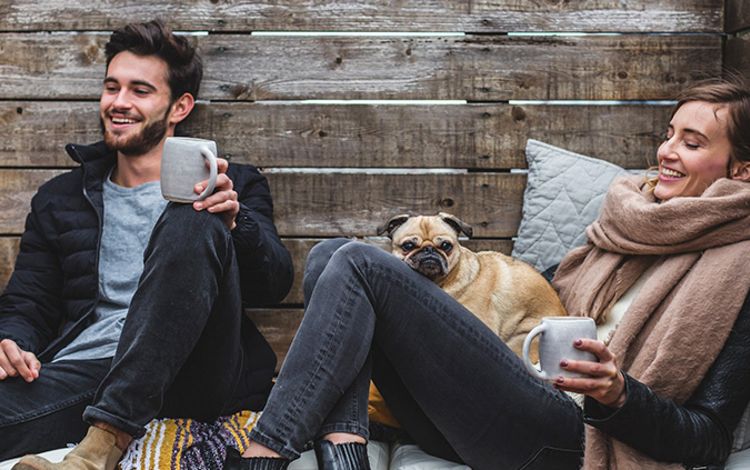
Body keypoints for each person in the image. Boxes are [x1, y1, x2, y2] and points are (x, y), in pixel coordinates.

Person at [226, 78, 750, 470]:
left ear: (740, 171)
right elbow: (543, 297)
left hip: (569, 439)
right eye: (668, 134)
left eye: (692, 142)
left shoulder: (738, 272)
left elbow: (708, 439)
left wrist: (619, 396)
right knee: (330, 254)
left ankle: (265, 452)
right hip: (486, 413)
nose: (666, 152)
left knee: (357, 261)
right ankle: (345, 445)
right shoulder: (627, 225)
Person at [0, 20, 293, 469]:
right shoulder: (60, 198)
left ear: (179, 106)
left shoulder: (235, 184)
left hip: (193, 370)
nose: (119, 103)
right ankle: (103, 430)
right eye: (111, 87)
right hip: (89, 370)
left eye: (140, 91)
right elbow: (28, 302)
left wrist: (237, 221)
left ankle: (102, 448)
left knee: (194, 211)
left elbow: (274, 283)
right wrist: (11, 340)